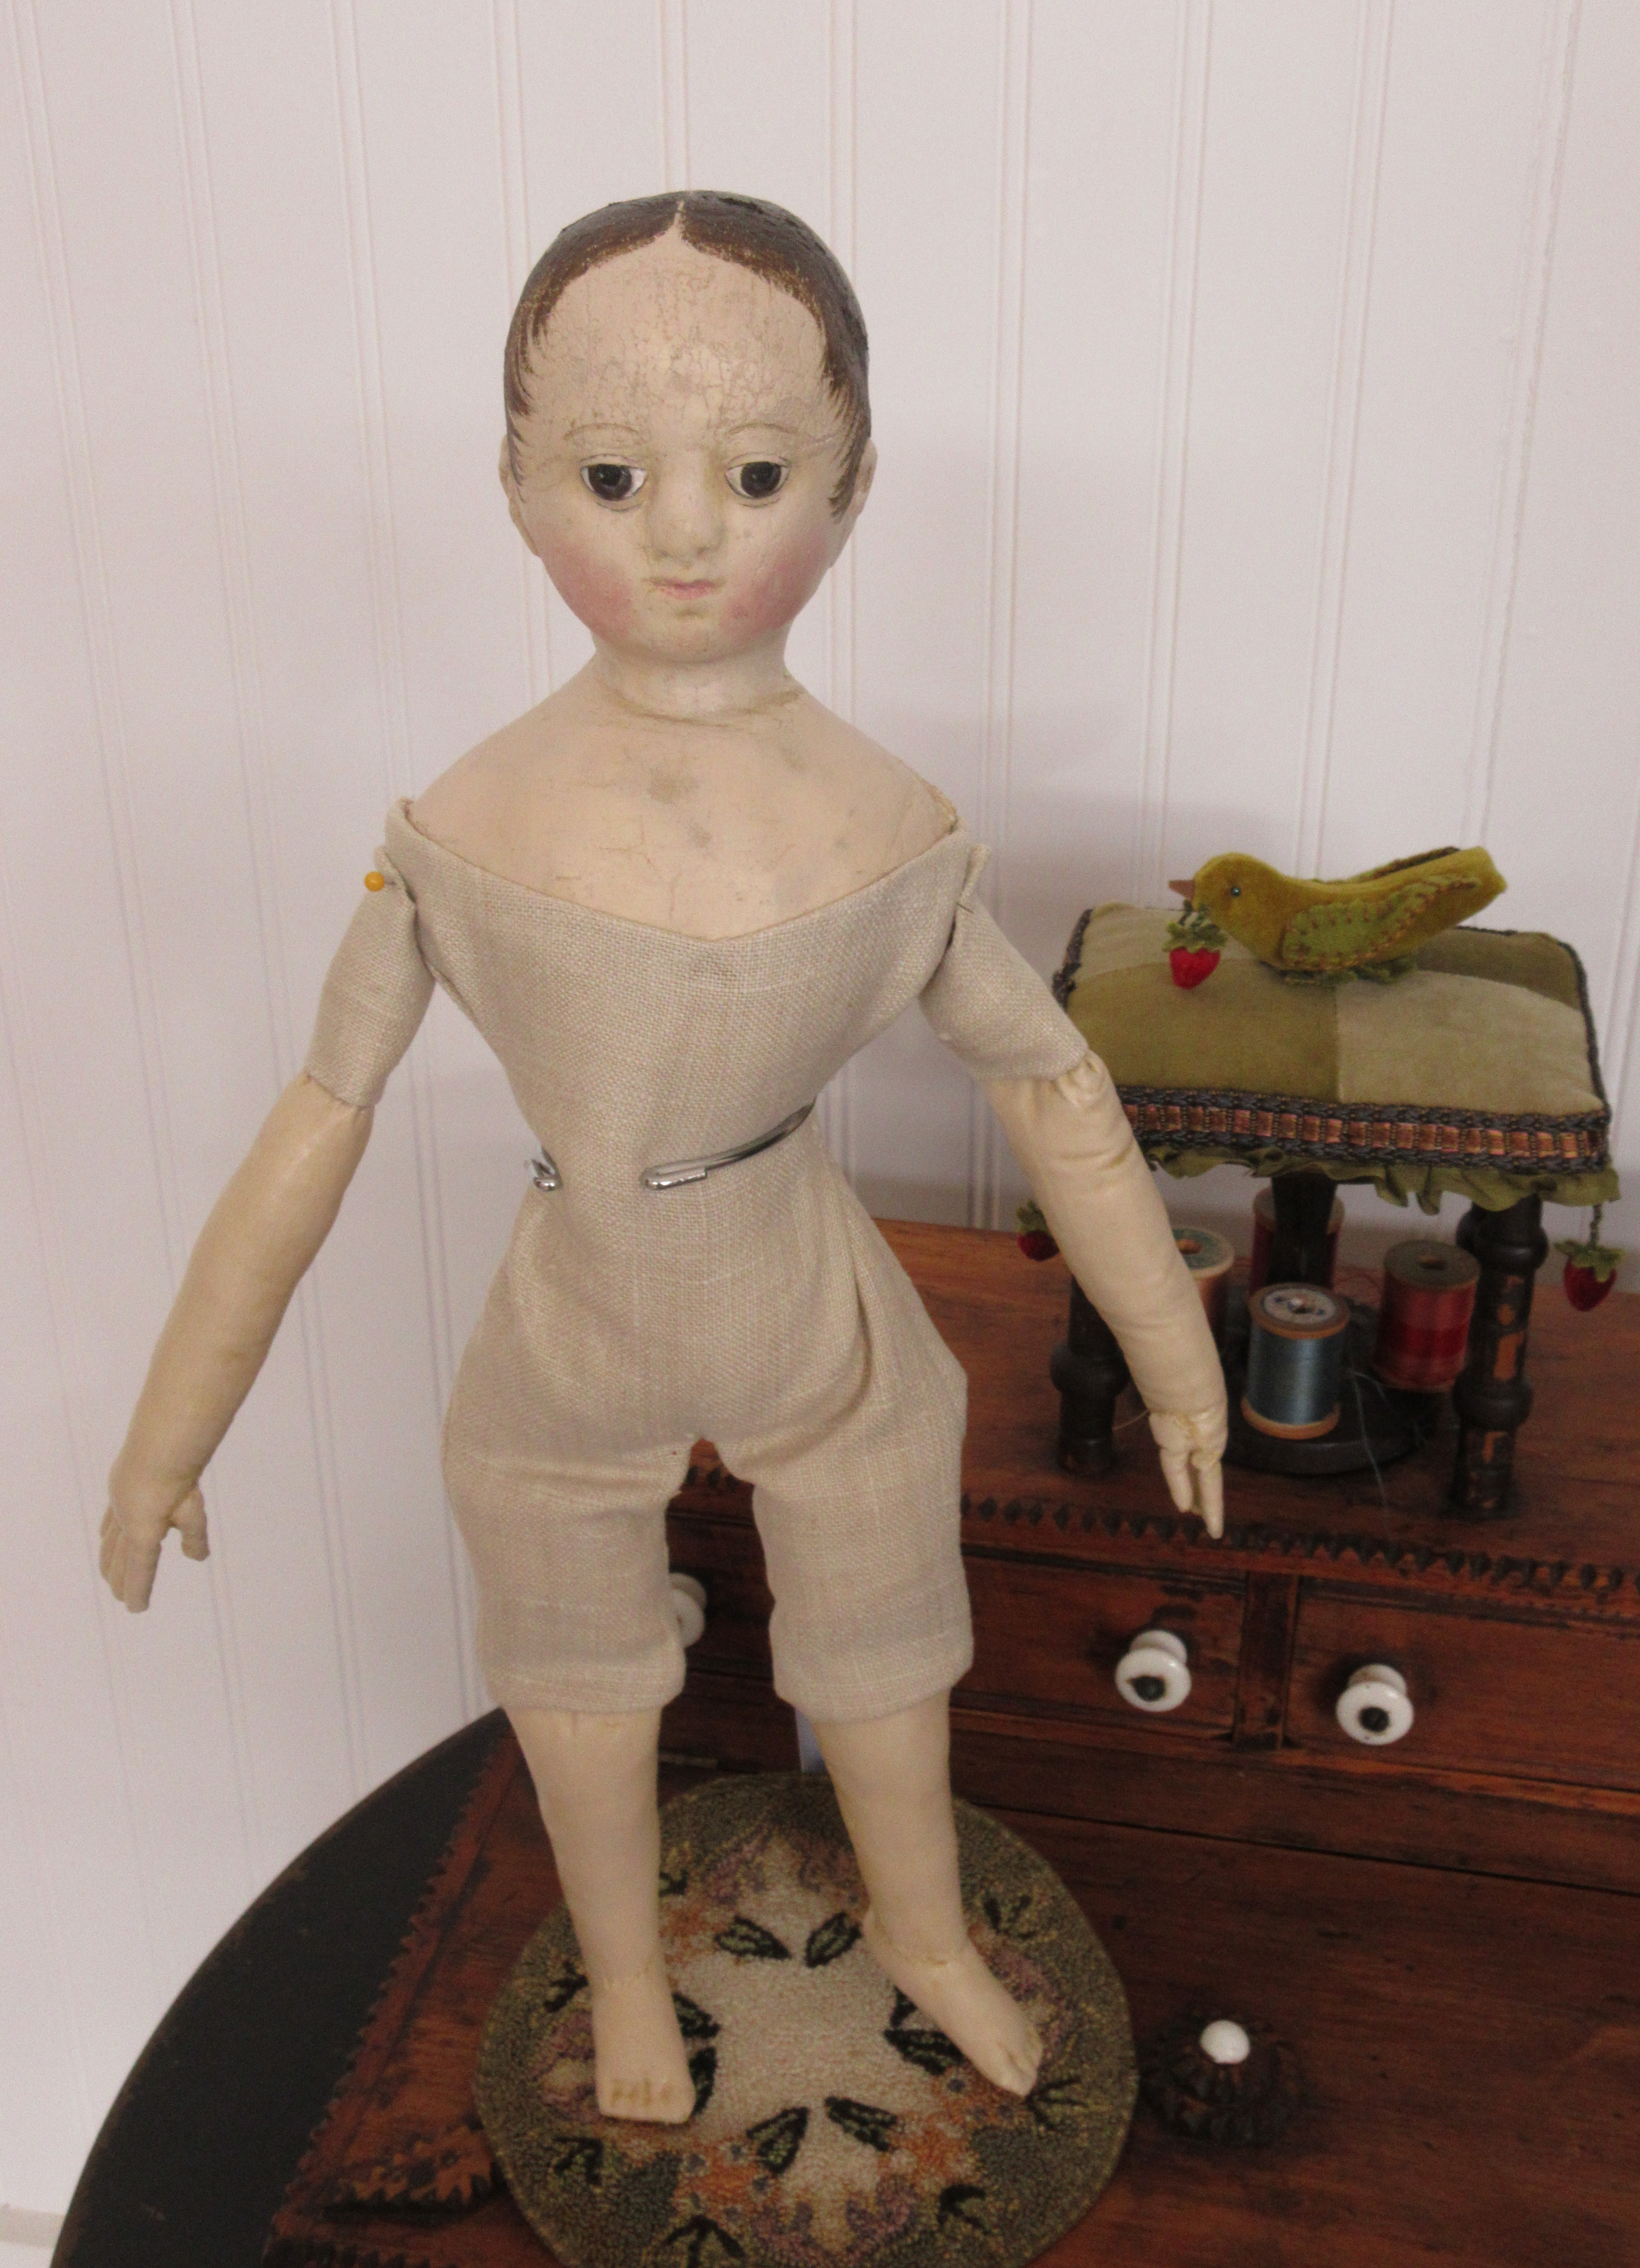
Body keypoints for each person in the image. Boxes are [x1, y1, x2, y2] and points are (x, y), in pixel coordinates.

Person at [100, 192, 1227, 2124]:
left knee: (883, 1634)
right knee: (573, 1659)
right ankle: (626, 1975)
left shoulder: (889, 829)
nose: (689, 533)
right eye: (614, 474)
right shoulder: (462, 829)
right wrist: (167, 1432)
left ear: (853, 485)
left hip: (808, 1296)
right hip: (576, 1313)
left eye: (759, 471)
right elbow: (323, 1111)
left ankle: (926, 1931)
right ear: (519, 488)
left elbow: (1050, 1085)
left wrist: (1178, 1352)